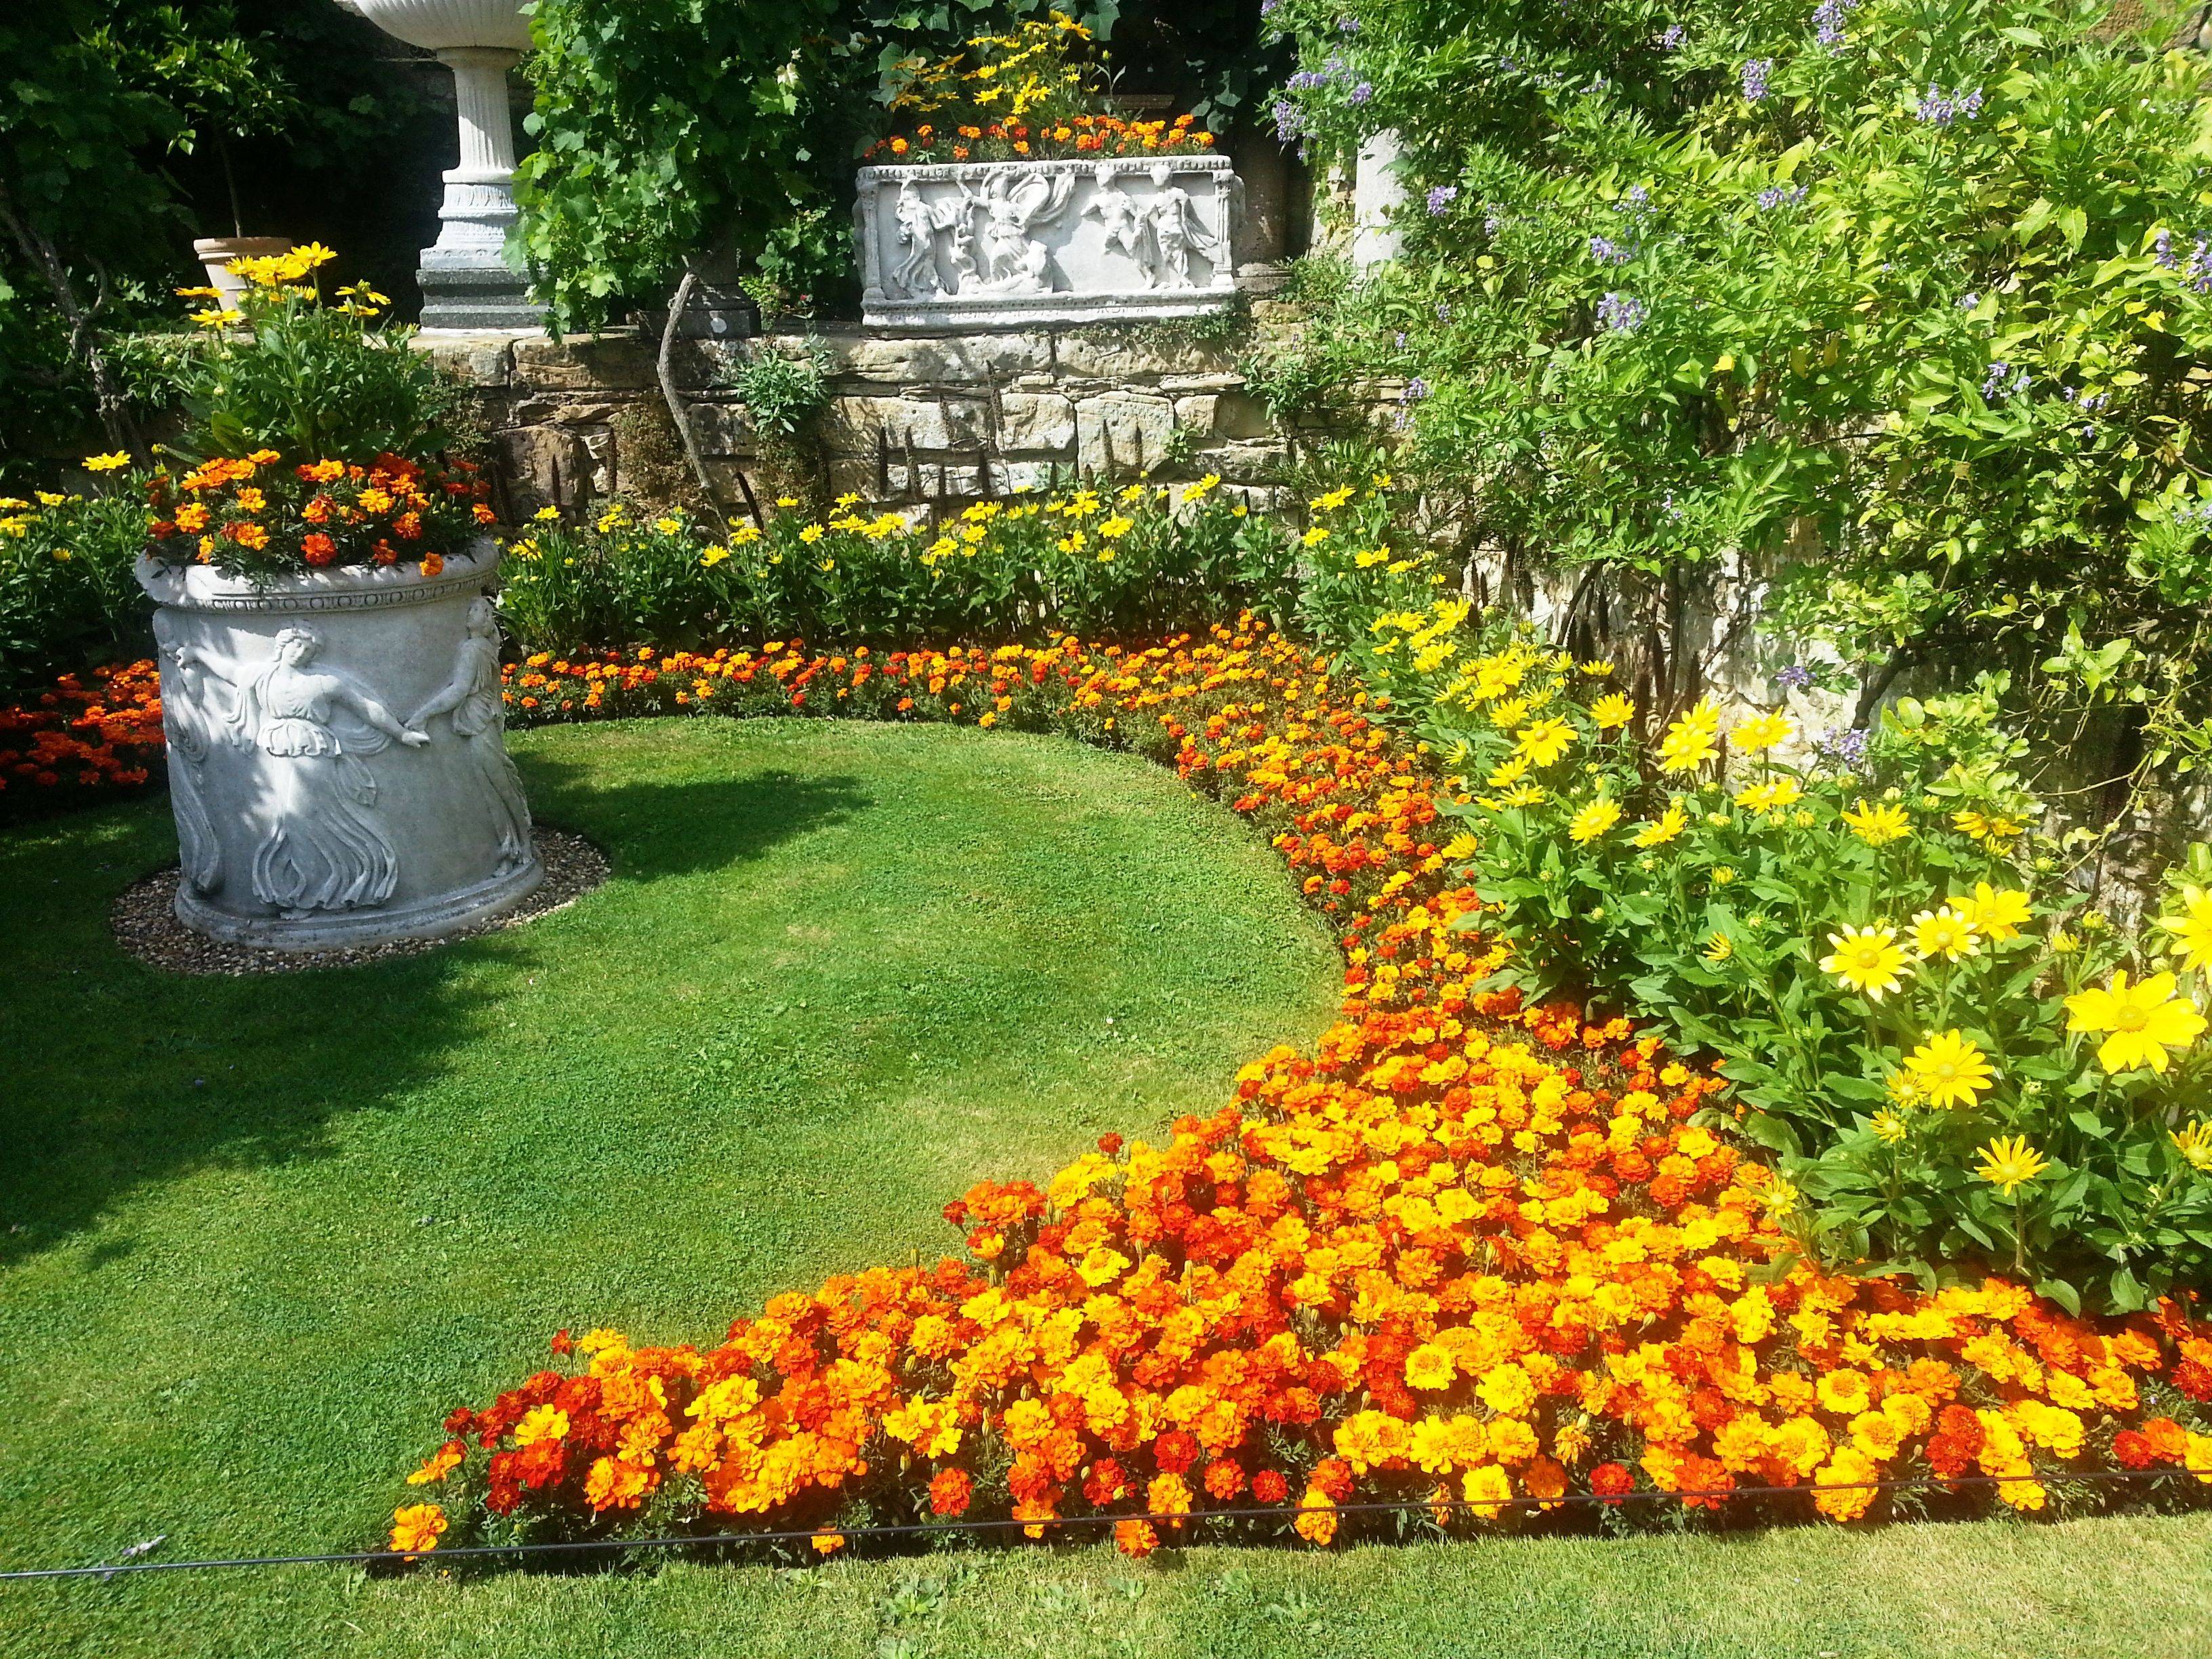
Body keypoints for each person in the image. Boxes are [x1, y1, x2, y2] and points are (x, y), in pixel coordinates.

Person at [187, 624, 426, 918]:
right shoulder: (262, 676)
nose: (301, 653)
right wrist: (196, 652)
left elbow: (366, 708)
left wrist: (402, 733)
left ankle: (311, 895)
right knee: (295, 823)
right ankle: (327, 889)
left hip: (312, 752)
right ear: (283, 645)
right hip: (280, 752)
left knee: (300, 817)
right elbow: (231, 672)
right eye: (297, 645)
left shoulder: (323, 682)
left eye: (309, 650)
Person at [411, 598, 533, 876]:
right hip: (477, 721)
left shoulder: (473, 649)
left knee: (499, 787)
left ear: (487, 619)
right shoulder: (482, 647)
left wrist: (423, 714)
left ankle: (522, 843)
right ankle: (510, 846)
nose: (469, 613)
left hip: (479, 725)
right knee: (491, 790)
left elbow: (458, 691)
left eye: (476, 610)